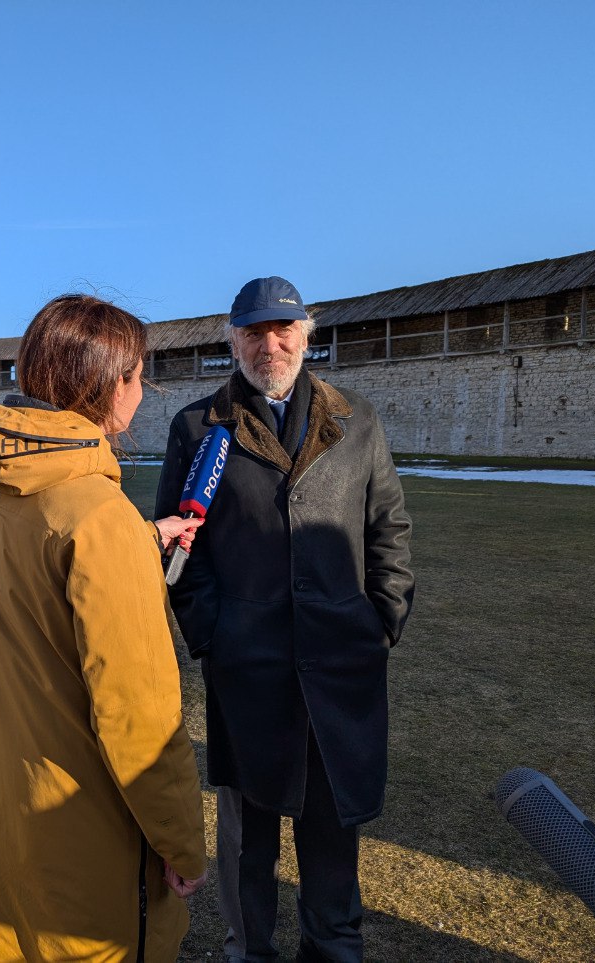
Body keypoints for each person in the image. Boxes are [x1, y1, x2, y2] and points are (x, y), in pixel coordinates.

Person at [155, 277, 414, 963]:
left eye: (283, 330)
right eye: (253, 332)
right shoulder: (197, 427)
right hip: (248, 668)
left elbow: (388, 525)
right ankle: (253, 953)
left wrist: (383, 621)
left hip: (340, 665)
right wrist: (212, 634)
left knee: (333, 833)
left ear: (307, 333)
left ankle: (334, 949)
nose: (270, 344)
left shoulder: (356, 419)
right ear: (231, 339)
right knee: (249, 839)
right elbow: (185, 550)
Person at [0, 293, 208, 962]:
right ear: (104, 383)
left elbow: (44, 572)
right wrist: (182, 843)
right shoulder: (99, 517)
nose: (142, 391)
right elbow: (138, 716)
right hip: (83, 836)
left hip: (7, 803)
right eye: (136, 374)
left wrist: (144, 537)